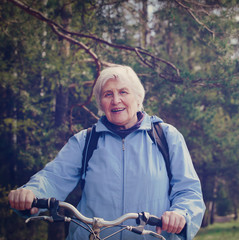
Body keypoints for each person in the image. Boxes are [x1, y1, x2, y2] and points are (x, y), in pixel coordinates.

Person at [8, 65, 205, 240]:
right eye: (108, 94)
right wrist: (31, 193)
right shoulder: (85, 141)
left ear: (138, 98)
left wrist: (180, 214)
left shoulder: (167, 136)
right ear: (101, 103)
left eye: (123, 92)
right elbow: (53, 177)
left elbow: (188, 190)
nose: (116, 100)